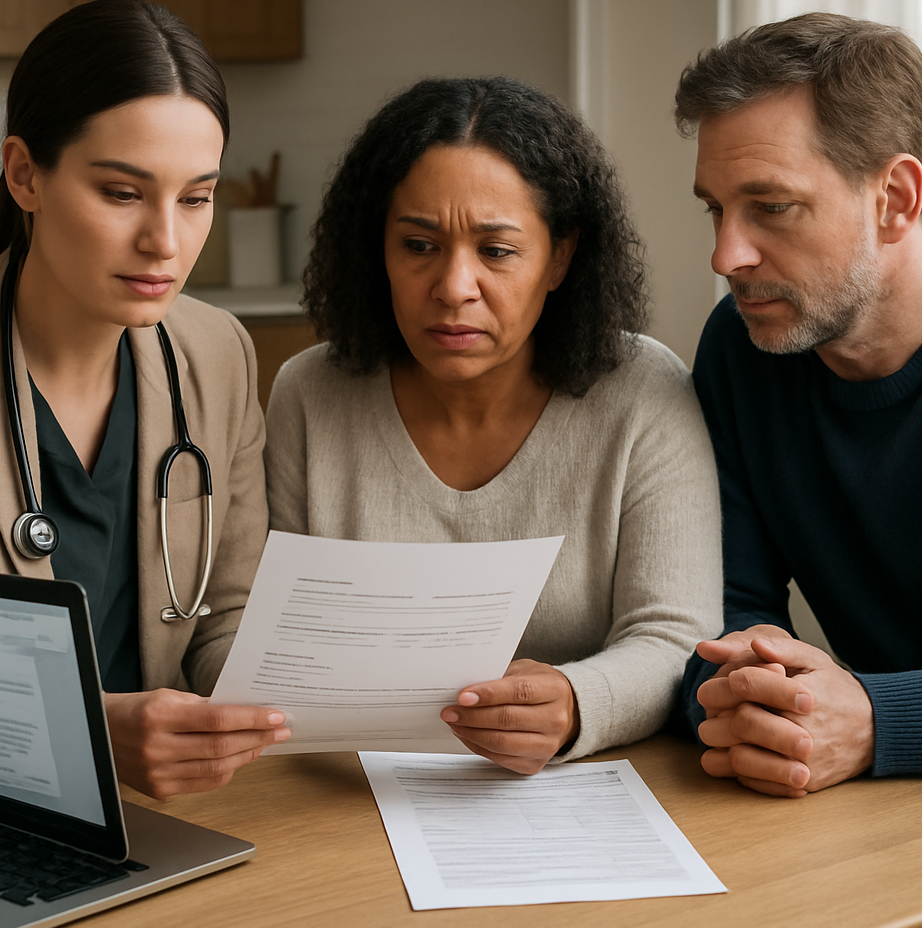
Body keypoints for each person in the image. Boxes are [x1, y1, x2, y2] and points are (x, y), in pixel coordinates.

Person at [265, 76, 722, 774]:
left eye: (497, 251)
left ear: (560, 258)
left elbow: (675, 635)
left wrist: (575, 701)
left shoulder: (644, 394)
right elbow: (274, 641)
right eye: (418, 246)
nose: (453, 286)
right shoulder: (308, 394)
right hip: (342, 789)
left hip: (587, 794)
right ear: (377, 249)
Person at [0, 0, 290, 800]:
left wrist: (265, 706)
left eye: (196, 198)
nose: (166, 240)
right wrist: (87, 732)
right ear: (25, 174)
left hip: (171, 816)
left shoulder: (216, 355)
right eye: (123, 193)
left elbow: (226, 613)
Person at [675, 12, 922, 796]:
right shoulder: (744, 347)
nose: (726, 255)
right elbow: (718, 616)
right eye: (716, 208)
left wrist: (880, 720)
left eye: (771, 206)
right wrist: (751, 703)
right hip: (862, 813)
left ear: (895, 199)